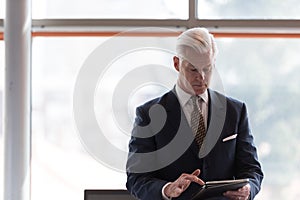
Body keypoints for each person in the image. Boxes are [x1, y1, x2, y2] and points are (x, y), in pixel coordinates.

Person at [126, 27, 263, 200]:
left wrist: (249, 188)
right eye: (193, 70)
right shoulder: (148, 114)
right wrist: (167, 189)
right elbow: (136, 179)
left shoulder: (235, 111)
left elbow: (252, 169)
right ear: (176, 64)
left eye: (208, 68)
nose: (202, 77)